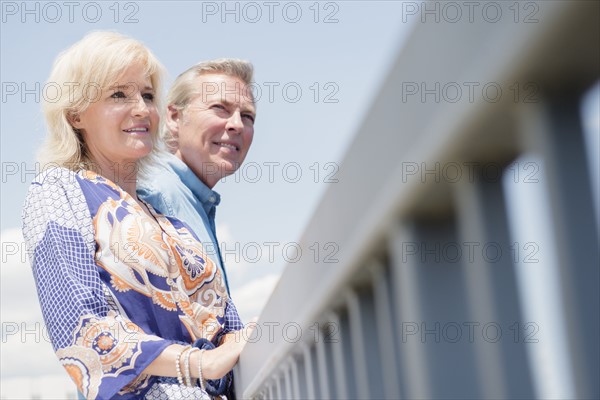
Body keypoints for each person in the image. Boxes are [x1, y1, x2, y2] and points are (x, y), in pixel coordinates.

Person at [22, 31, 252, 400]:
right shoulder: (60, 190)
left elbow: (230, 333)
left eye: (147, 95)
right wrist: (200, 363)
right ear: (75, 113)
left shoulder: (171, 224)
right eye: (118, 95)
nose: (142, 109)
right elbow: (81, 329)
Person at [137, 59, 257, 296]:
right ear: (173, 118)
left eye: (247, 116)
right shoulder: (154, 193)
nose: (237, 125)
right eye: (219, 108)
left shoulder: (194, 202)